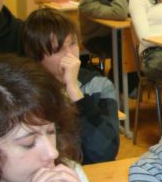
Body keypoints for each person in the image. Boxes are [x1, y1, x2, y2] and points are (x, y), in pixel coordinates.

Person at [23, 8, 119, 165]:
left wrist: (75, 91)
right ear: (36, 56)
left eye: (73, 44)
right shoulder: (27, 92)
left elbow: (105, 153)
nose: (70, 55)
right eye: (57, 49)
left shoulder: (98, 85)